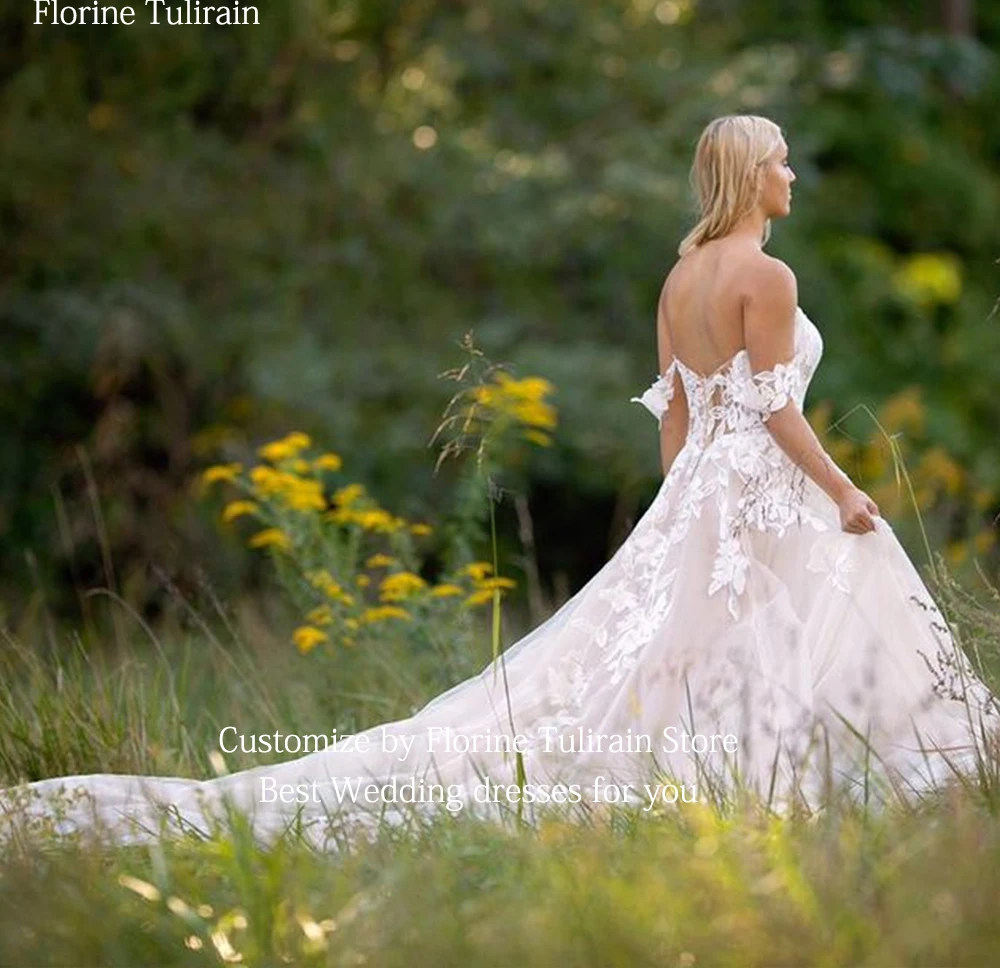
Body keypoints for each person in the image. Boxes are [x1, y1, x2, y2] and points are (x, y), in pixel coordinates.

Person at [4, 115, 998, 850]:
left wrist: (672, 519)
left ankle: (746, 770)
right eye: (777, 158)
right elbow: (777, 411)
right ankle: (800, 776)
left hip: (699, 487)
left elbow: (679, 416)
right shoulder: (764, 280)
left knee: (684, 647)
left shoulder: (678, 276)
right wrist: (843, 494)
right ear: (745, 174)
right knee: (800, 625)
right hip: (764, 483)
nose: (790, 173)